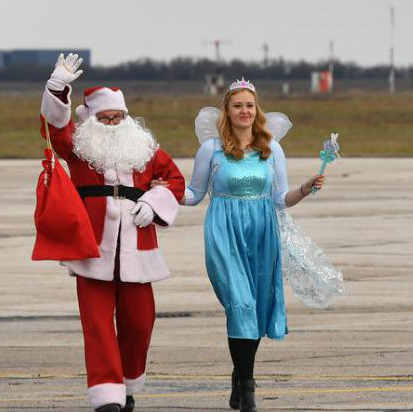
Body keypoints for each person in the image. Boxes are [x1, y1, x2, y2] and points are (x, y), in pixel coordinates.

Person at [39, 53, 186, 412]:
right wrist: (57, 88)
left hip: (138, 245)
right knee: (97, 325)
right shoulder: (78, 147)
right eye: (106, 118)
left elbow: (175, 181)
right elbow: (53, 128)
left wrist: (153, 204)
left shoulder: (145, 149)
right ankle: (107, 395)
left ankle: (129, 382)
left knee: (139, 322)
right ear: (91, 119)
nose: (114, 123)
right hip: (92, 247)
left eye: (119, 117)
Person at [181, 78, 339, 412]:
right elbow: (194, 195)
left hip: (263, 231)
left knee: (256, 304)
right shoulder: (211, 149)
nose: (244, 111)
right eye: (237, 105)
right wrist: (163, 188)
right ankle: (249, 389)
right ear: (227, 110)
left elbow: (281, 199)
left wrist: (306, 187)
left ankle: (240, 377)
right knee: (240, 303)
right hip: (224, 231)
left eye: (249, 105)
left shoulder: (271, 149)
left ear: (257, 110)